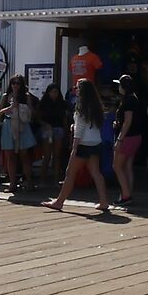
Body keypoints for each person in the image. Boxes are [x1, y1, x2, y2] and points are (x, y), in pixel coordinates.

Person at [48, 77, 115, 213]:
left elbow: (79, 130)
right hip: (96, 142)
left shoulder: (81, 108)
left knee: (70, 173)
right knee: (96, 172)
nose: (75, 90)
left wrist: (74, 148)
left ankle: (59, 202)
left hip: (83, 144)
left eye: (77, 88)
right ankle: (104, 201)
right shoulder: (96, 106)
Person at [111, 74, 146, 204]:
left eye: (120, 85)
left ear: (124, 87)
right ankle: (127, 192)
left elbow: (128, 121)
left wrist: (119, 139)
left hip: (127, 137)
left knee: (117, 166)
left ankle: (125, 195)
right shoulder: (134, 99)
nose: (118, 88)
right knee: (127, 166)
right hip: (136, 136)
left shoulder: (128, 101)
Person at [36, 79, 68, 183]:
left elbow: (64, 118)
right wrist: (45, 124)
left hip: (58, 129)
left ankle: (56, 179)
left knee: (57, 156)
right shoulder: (43, 103)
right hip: (47, 129)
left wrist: (66, 131)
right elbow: (38, 118)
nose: (54, 94)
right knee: (47, 155)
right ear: (48, 92)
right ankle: (42, 179)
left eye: (56, 92)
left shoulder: (62, 103)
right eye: (52, 92)